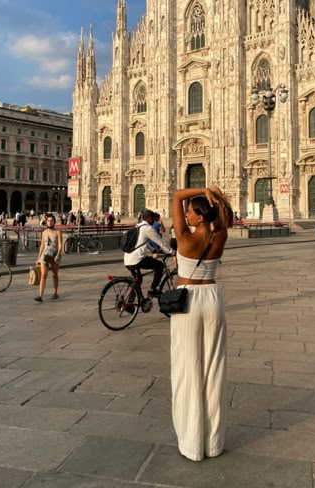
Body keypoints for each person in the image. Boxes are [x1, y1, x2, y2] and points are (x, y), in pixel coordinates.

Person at [171, 186, 233, 461]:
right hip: (213, 298)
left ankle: (192, 444)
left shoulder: (183, 237)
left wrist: (205, 190)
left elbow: (176, 196)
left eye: (189, 212)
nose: (185, 214)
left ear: (197, 217)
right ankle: (213, 443)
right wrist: (216, 199)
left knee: (188, 369)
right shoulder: (221, 236)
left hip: (189, 300)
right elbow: (226, 216)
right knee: (213, 368)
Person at [124, 209, 174, 296]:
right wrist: (172, 252)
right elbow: (160, 242)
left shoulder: (137, 226)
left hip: (127, 258)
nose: (154, 221)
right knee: (160, 266)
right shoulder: (148, 228)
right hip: (137, 259)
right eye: (153, 219)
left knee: (138, 279)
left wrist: (153, 250)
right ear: (149, 219)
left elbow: (144, 242)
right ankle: (153, 289)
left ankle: (130, 302)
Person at [35, 213, 63, 303]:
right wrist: (38, 258)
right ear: (46, 222)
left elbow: (60, 244)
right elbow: (42, 245)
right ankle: (40, 296)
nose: (50, 222)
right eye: (48, 221)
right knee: (43, 275)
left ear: (54, 222)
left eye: (51, 221)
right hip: (45, 255)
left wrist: (58, 255)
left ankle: (55, 293)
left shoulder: (58, 232)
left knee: (54, 274)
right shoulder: (44, 233)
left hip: (54, 255)